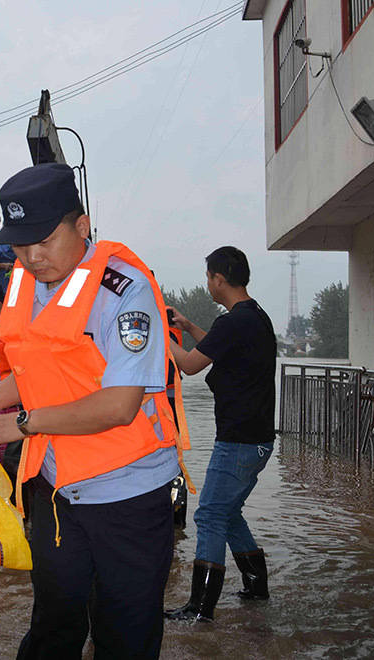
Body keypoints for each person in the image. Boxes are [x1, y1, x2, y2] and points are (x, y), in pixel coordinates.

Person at [0, 163, 185, 659]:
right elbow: (34, 375)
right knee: (53, 623)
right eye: (21, 245)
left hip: (127, 493)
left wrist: (21, 424)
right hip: (56, 489)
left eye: (44, 241)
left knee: (125, 635)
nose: (32, 256)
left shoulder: (124, 291)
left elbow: (119, 404)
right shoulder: (24, 282)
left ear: (82, 226)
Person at [164, 246, 276, 623]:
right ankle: (256, 584)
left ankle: (200, 607)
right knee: (228, 514)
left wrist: (159, 334)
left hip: (239, 440)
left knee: (210, 515)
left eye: (208, 277)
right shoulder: (253, 317)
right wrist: (187, 325)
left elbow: (191, 365)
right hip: (258, 439)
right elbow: (216, 343)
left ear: (217, 279)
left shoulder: (234, 323)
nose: (207, 284)